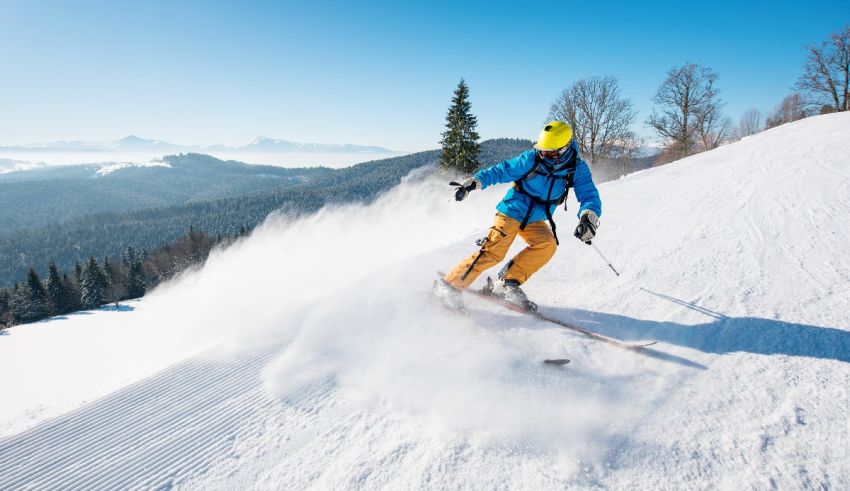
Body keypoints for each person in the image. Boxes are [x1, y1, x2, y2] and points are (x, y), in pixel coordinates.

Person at [433, 121, 602, 311]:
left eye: (549, 153)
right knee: (494, 251)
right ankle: (448, 287)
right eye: (541, 149)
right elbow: (501, 171)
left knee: (547, 245)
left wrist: (588, 217)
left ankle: (506, 282)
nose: (543, 154)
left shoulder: (576, 169)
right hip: (512, 210)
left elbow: (589, 195)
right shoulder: (531, 159)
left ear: (564, 149)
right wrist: (474, 182)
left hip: (535, 219)